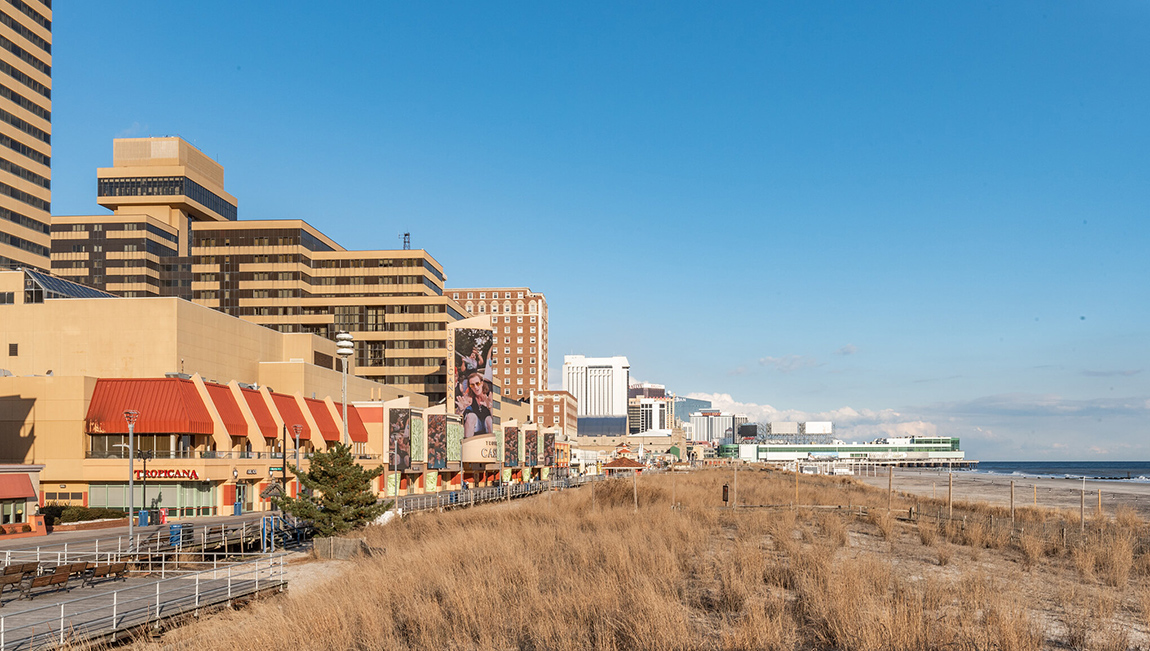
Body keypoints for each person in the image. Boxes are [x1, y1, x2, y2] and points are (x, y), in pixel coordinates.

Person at [462, 370, 493, 437]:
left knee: (489, 419)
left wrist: (489, 407)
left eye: (477, 383)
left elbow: (496, 419)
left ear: (482, 383)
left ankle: (493, 444)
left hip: (487, 424)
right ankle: (468, 444)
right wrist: (461, 410)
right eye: (472, 385)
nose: (475, 387)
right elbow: (457, 414)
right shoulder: (469, 397)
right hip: (477, 425)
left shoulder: (489, 396)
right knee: (470, 416)